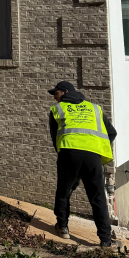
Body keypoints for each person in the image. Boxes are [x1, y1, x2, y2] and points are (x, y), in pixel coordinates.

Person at [49, 81, 117, 247]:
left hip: (69, 153)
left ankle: (63, 227)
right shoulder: (94, 108)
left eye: (56, 93)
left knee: (64, 191)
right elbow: (112, 132)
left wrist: (66, 155)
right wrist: (96, 147)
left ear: (64, 92)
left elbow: (54, 137)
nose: (54, 97)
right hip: (92, 156)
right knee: (97, 196)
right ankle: (105, 240)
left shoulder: (57, 109)